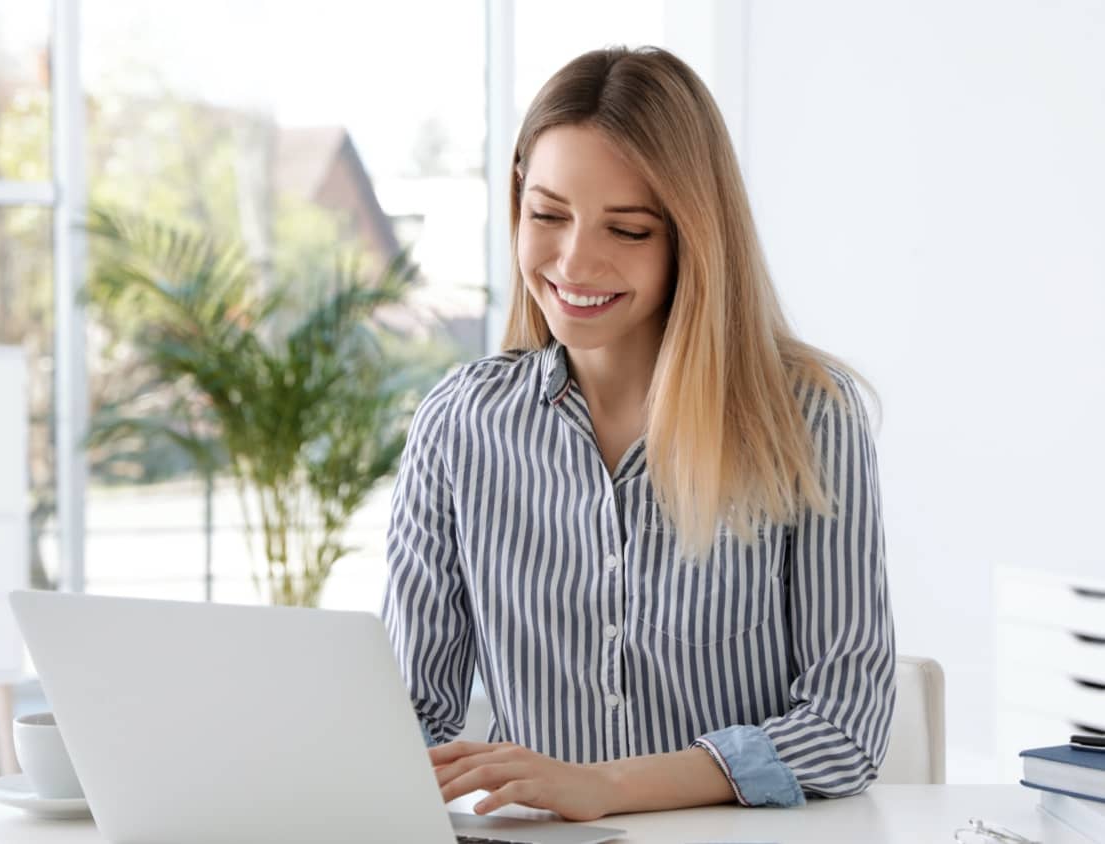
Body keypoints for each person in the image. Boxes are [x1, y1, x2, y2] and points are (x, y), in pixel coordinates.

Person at [382, 45, 895, 821]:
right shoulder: (460, 424)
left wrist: (610, 787)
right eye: (548, 215)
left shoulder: (809, 417)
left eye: (627, 230)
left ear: (693, 238)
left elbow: (844, 727)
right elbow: (409, 713)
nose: (574, 262)